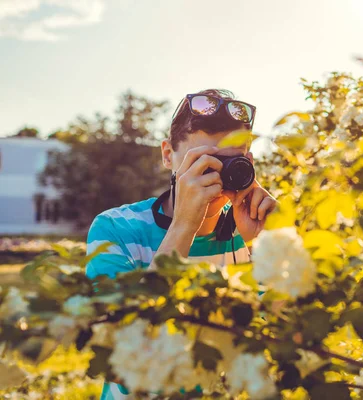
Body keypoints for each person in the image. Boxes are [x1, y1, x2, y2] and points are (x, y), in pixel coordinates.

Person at [85, 89, 277, 399]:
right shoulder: (116, 228)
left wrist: (268, 246)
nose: (217, 176)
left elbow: (281, 342)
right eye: (203, 162)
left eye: (232, 164)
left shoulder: (255, 233)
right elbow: (124, 346)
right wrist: (185, 224)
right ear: (167, 155)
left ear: (248, 164)